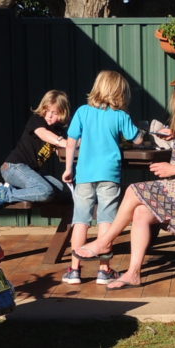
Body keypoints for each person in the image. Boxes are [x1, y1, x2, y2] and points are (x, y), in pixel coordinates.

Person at [74, 65, 175, 290]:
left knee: (133, 190)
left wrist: (172, 169)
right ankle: (133, 273)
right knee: (140, 212)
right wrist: (171, 137)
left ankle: (104, 241)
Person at [62, 70, 143, 285]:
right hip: (109, 175)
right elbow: (136, 140)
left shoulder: (82, 112)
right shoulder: (120, 115)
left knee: (80, 221)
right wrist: (145, 132)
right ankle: (104, 270)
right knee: (106, 220)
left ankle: (74, 270)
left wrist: (69, 168)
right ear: (120, 92)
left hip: (84, 174)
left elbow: (71, 142)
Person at [0, 90, 72, 214]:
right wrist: (64, 142)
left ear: (63, 113)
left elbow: (61, 152)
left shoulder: (59, 131)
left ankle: (11, 189)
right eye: (46, 110)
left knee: (64, 192)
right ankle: (3, 194)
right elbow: (44, 134)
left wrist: (75, 144)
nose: (49, 115)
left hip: (30, 172)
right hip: (13, 167)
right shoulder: (37, 120)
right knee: (44, 191)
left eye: (54, 112)